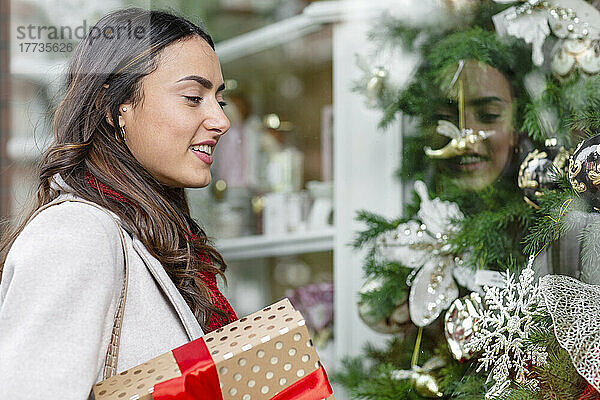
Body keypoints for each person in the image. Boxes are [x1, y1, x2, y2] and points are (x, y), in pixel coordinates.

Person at [0, 8, 236, 399]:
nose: (220, 120)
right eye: (194, 97)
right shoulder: (76, 233)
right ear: (116, 107)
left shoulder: (152, 235)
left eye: (219, 100)